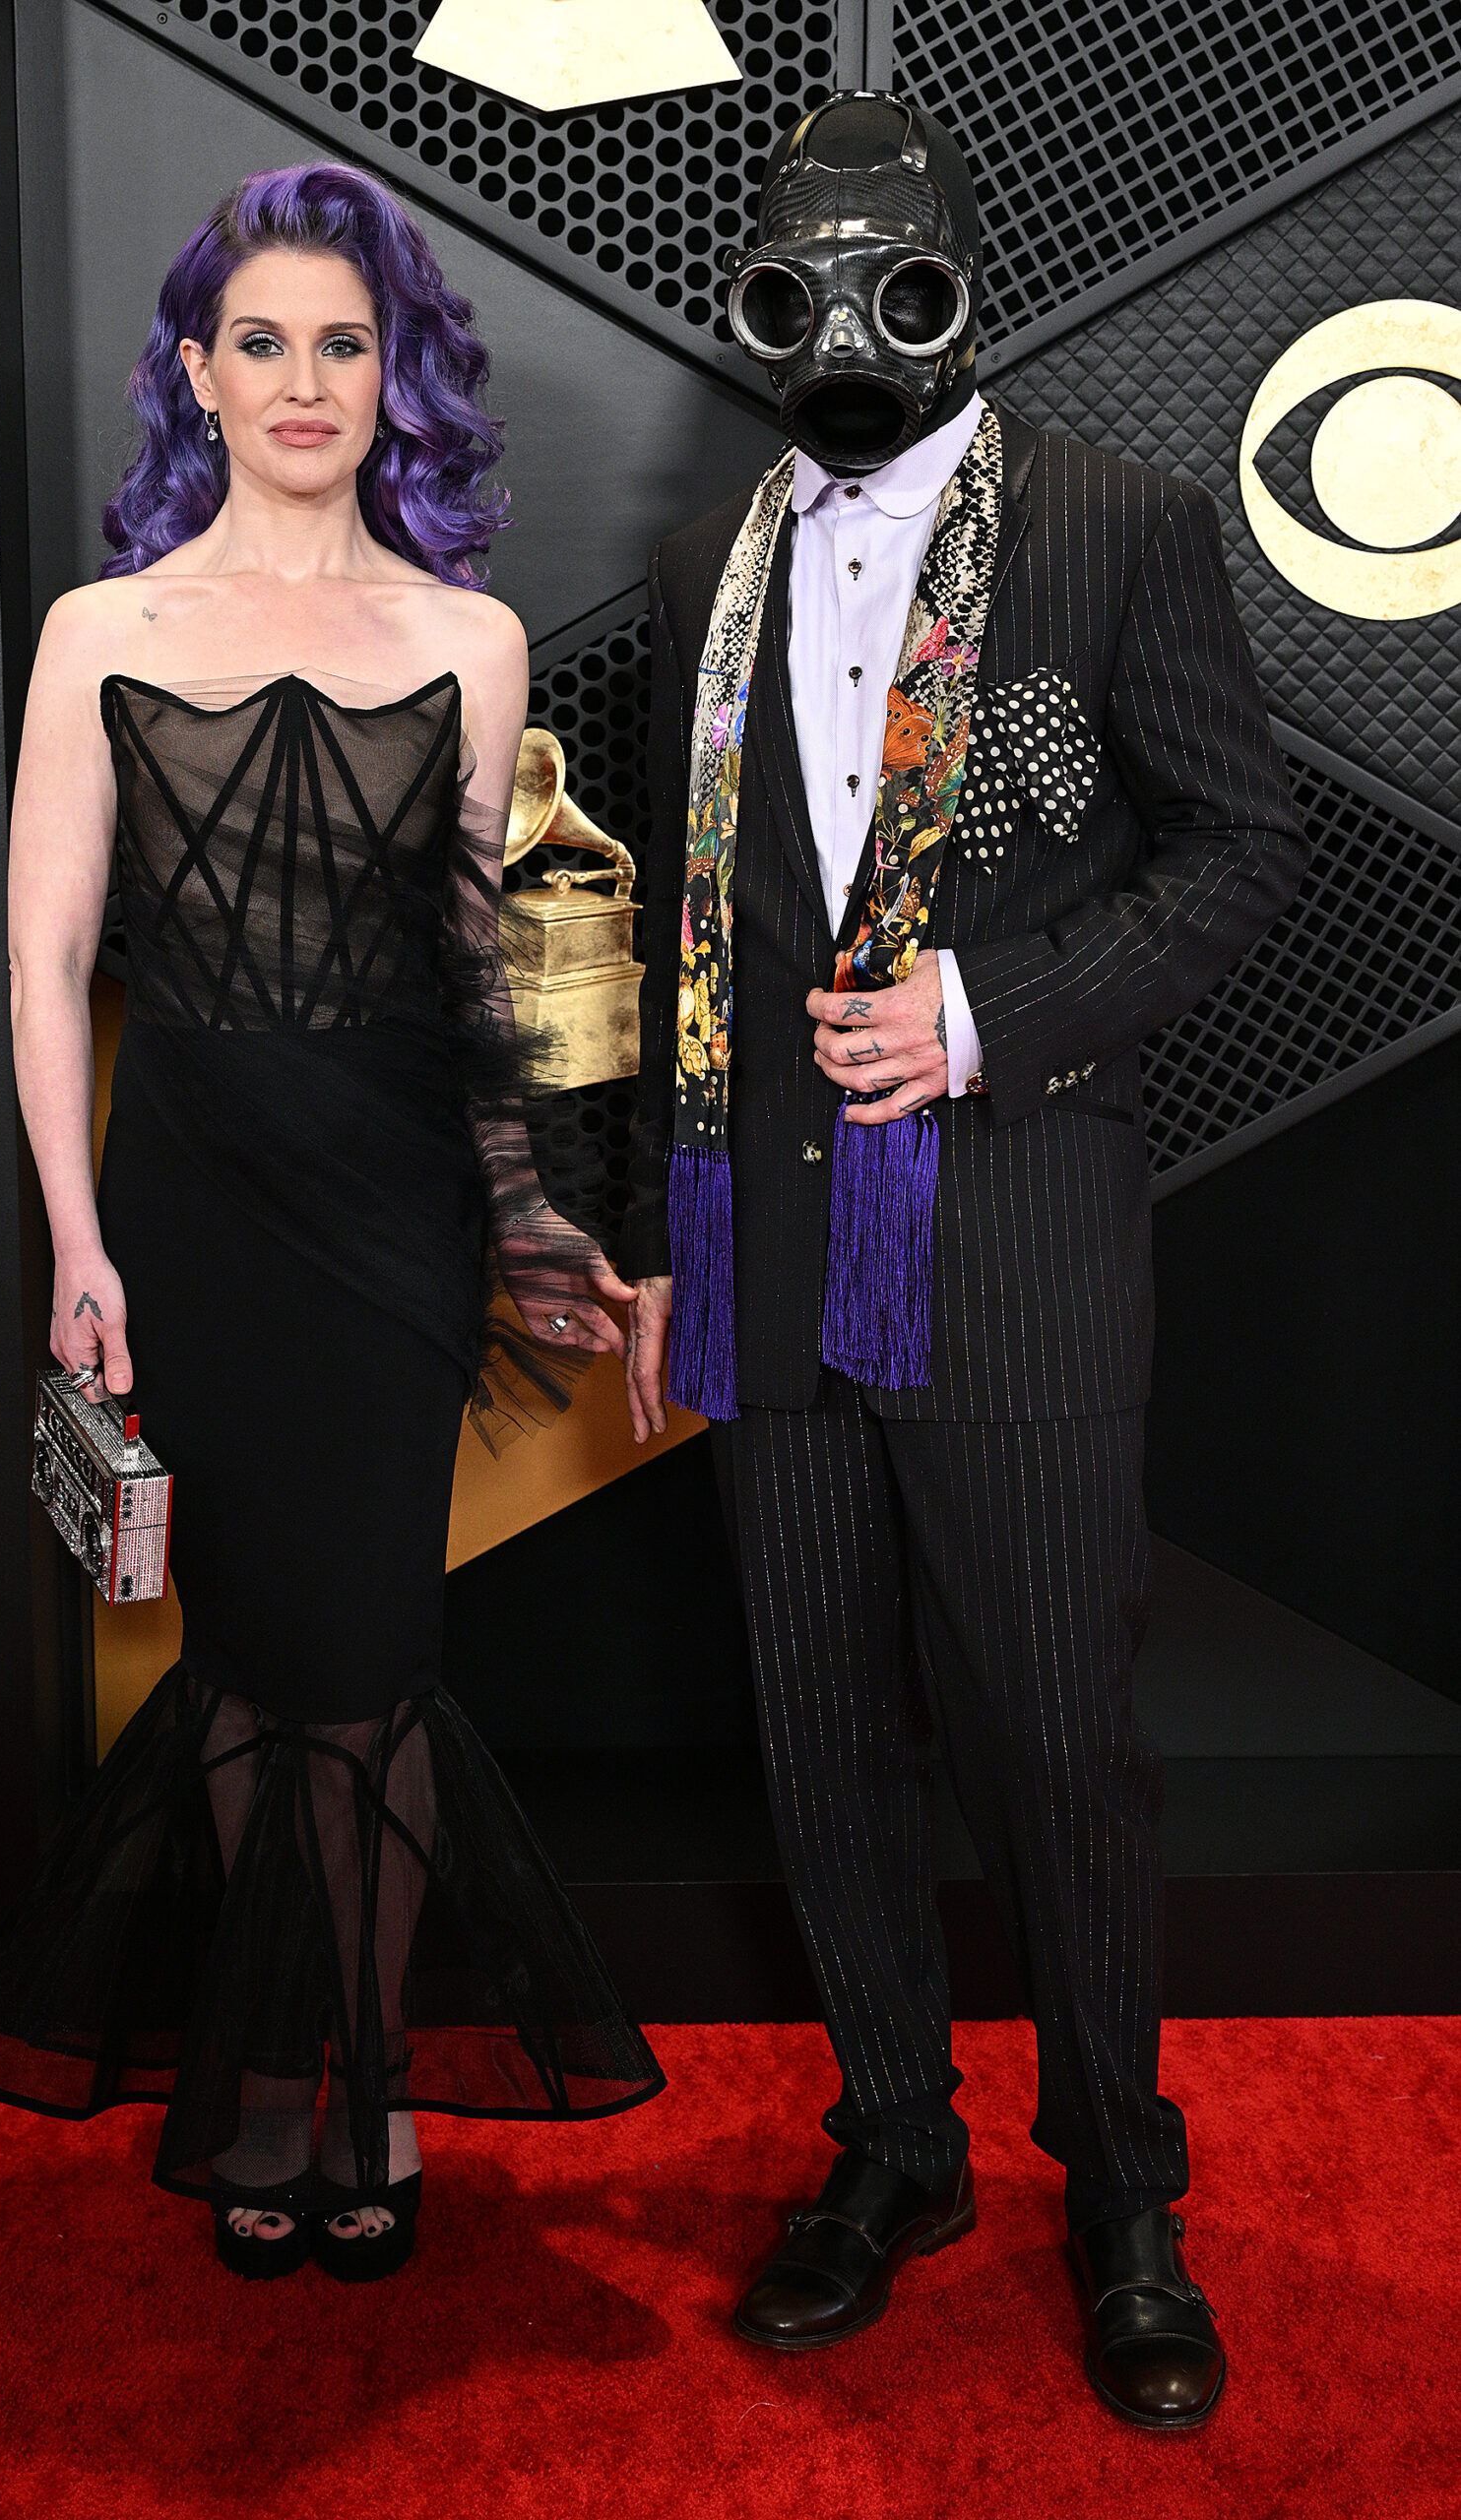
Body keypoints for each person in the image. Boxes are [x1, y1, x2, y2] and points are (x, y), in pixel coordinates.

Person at [619, 92, 1306, 2426]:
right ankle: (893, 2143)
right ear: (763, 304)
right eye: (800, 279)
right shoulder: (717, 572)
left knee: (1051, 1743)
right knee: (817, 1728)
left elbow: (1243, 842)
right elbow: (686, 951)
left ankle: (1124, 2190)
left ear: (960, 288)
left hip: (1005, 1244)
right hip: (768, 1254)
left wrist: (986, 1015)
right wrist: (653, 1249)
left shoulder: (1118, 526)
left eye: (888, 277)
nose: (845, 325)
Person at [0, 163, 663, 2285]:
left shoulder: (471, 641)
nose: (304, 378)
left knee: (369, 1660)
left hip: (395, 1215)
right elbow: (45, 956)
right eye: (263, 339)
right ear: (198, 372)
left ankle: (365, 2073)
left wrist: (522, 1213)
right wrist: (77, 1240)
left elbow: (470, 976)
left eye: (344, 340)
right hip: (190, 1209)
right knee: (252, 1666)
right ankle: (282, 2085)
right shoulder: (103, 634)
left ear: (393, 373)